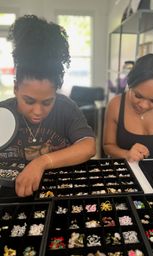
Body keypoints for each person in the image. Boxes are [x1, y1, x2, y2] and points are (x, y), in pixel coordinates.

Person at [0, 15, 96, 197]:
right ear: (15, 88)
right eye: (28, 101)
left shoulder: (66, 107)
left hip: (59, 196)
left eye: (47, 102)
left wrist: (42, 162)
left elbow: (88, 146)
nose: (37, 111)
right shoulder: (3, 113)